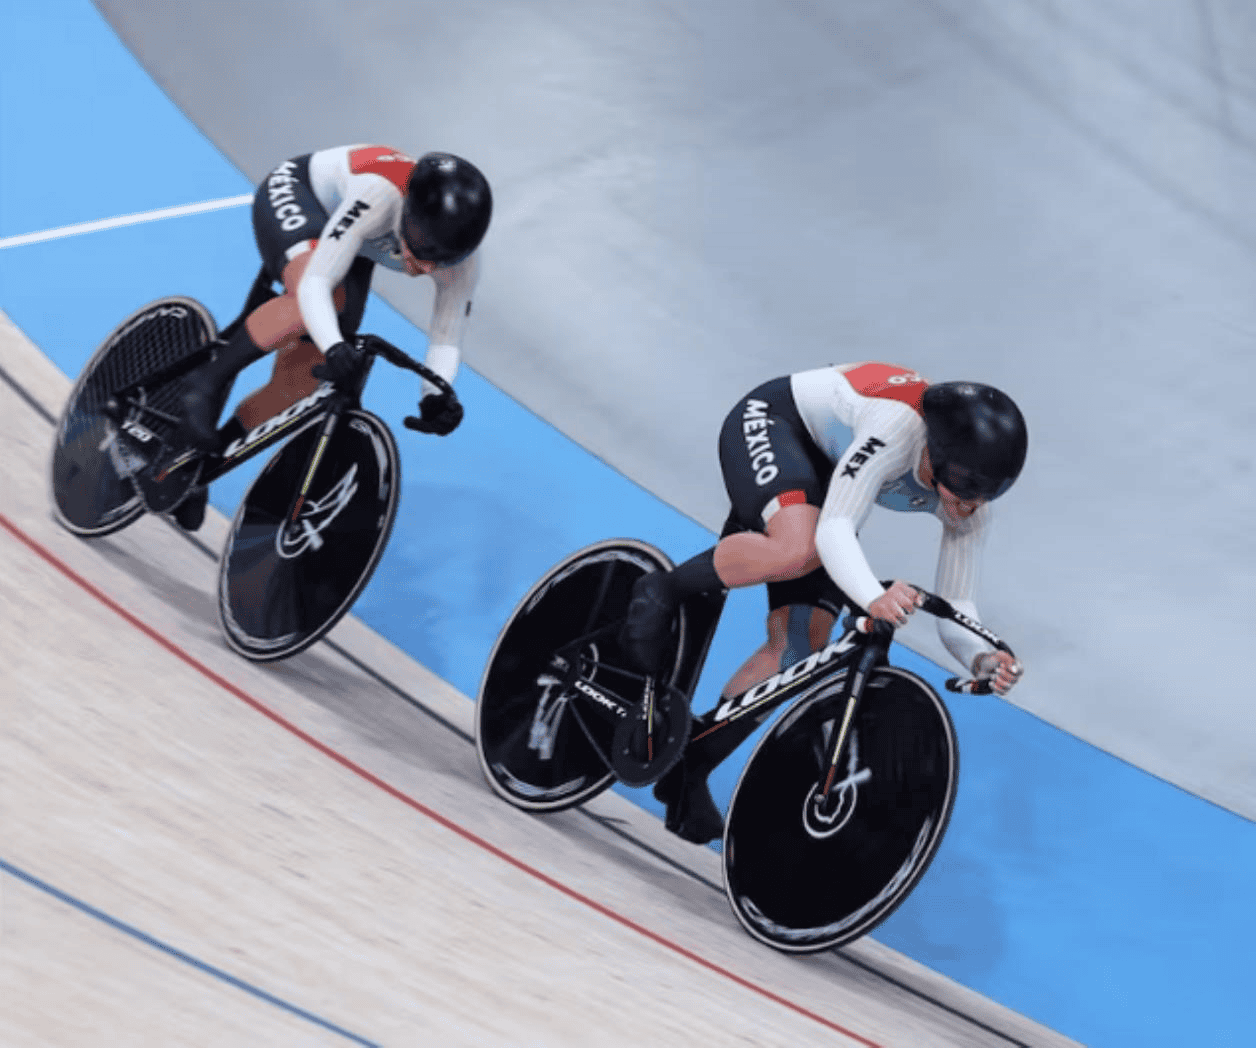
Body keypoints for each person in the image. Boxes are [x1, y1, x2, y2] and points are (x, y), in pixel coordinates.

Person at [621, 362, 1028, 844]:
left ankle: (689, 768)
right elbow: (834, 530)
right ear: (935, 451)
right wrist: (874, 597)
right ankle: (661, 590)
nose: (971, 504)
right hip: (777, 422)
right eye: (964, 483)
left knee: (801, 649)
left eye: (990, 491)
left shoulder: (969, 503)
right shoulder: (897, 431)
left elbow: (958, 602)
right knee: (801, 546)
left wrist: (980, 657)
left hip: (832, 470)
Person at [169, 145, 492, 531]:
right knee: (321, 300)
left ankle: (197, 467)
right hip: (303, 195)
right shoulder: (379, 195)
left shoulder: (461, 263)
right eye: (423, 241)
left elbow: (446, 340)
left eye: (445, 256)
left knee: (304, 383)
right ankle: (203, 382)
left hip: (355, 240)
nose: (427, 264)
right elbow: (317, 283)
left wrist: (435, 394)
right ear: (408, 208)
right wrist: (334, 345)